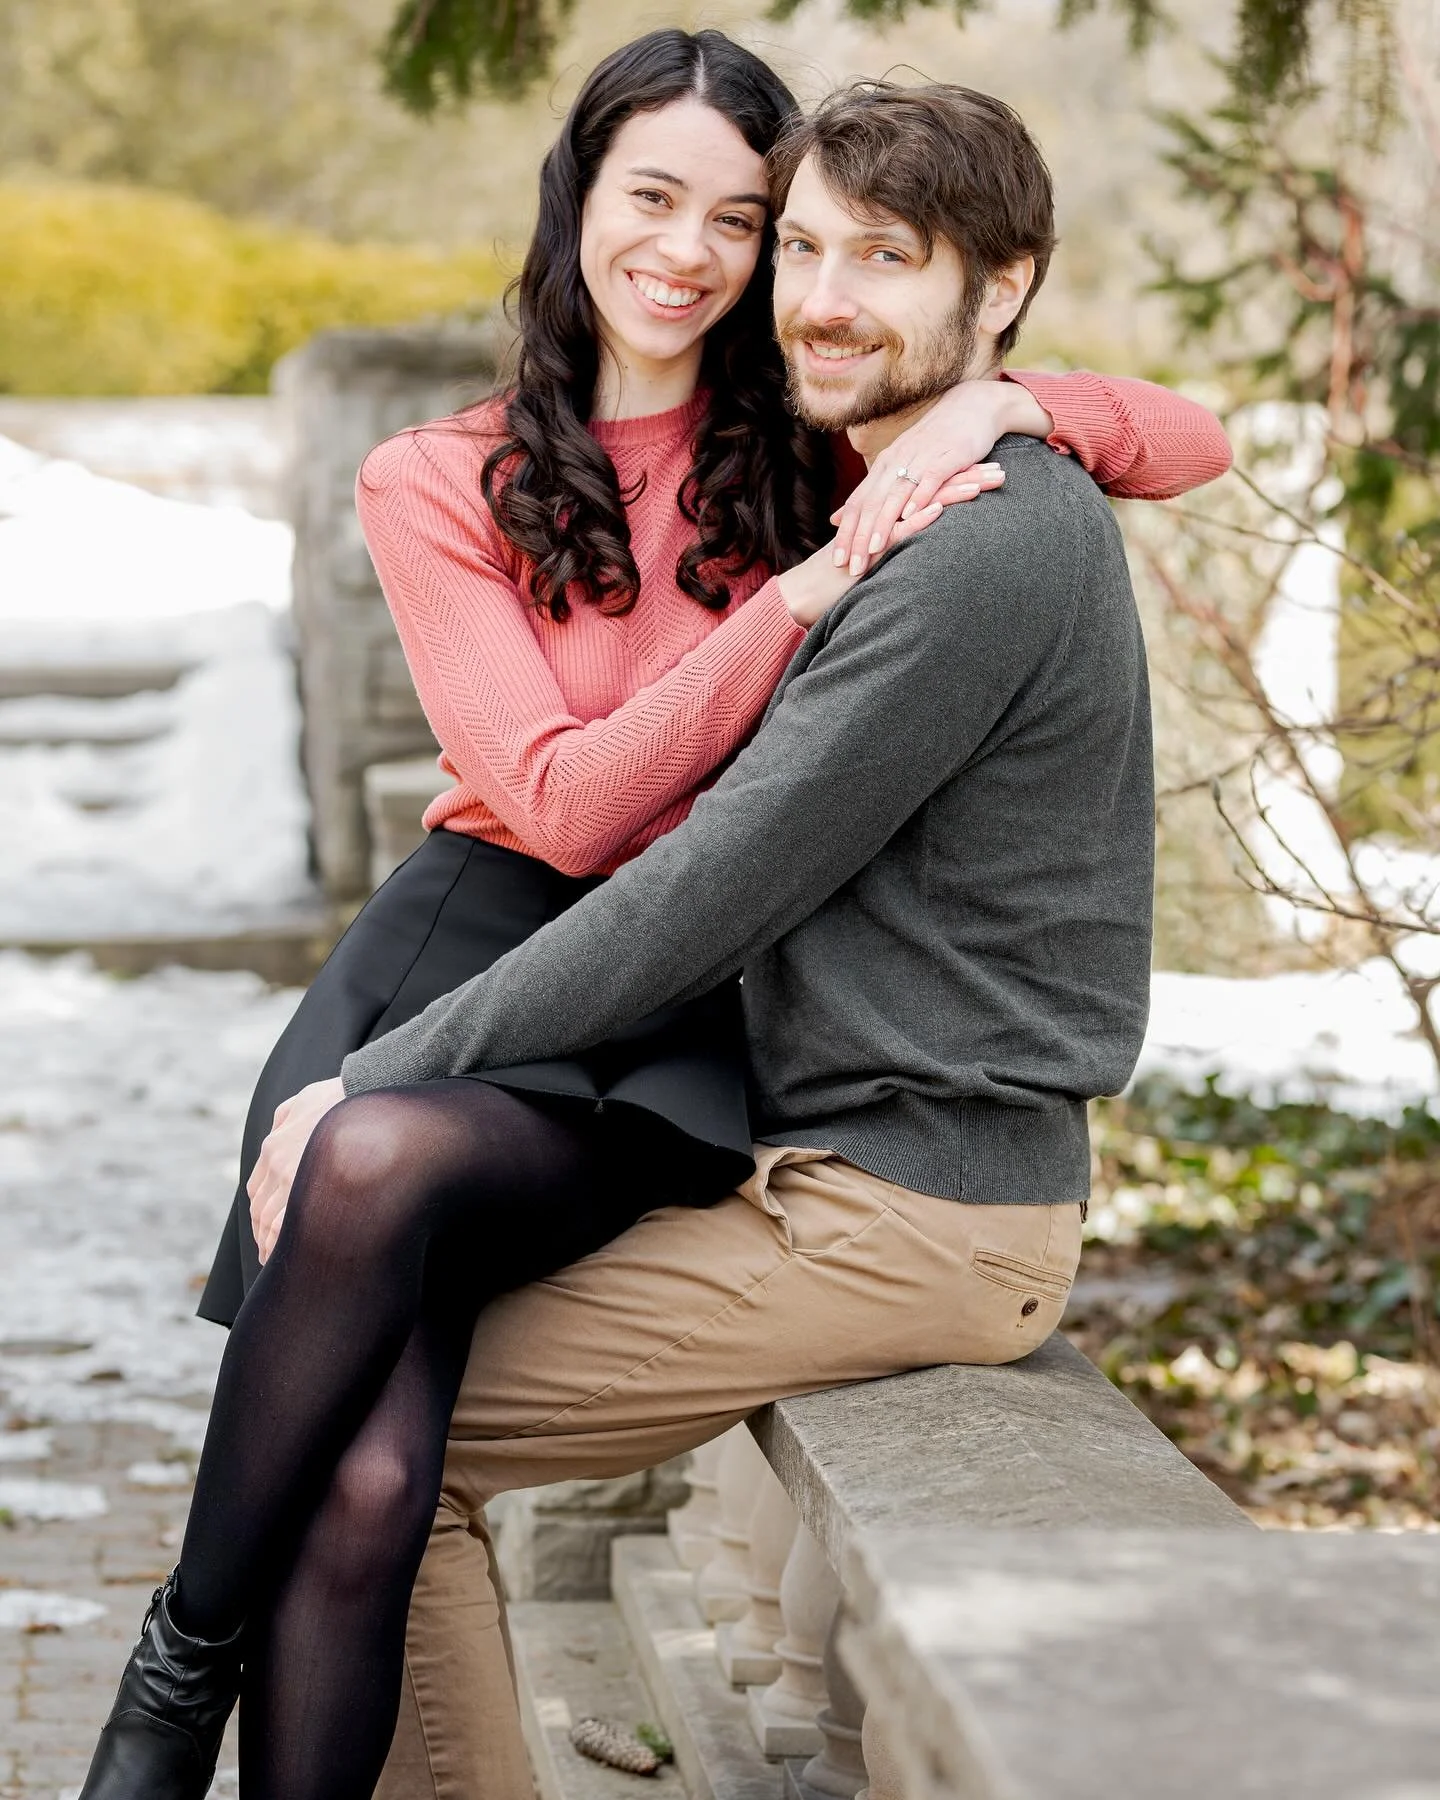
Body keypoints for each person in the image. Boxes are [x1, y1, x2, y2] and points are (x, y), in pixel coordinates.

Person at [77, 31, 1228, 1800]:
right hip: (515, 960)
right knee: (357, 1439)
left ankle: (174, 1697)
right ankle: (171, 1693)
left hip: (831, 1134)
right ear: (577, 204)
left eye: (762, 227)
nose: (739, 266)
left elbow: (1181, 436)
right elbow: (565, 808)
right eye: (798, 242)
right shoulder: (482, 472)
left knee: (374, 1440)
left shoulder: (879, 485)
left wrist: (1015, 403)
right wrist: (829, 568)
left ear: (994, 287)